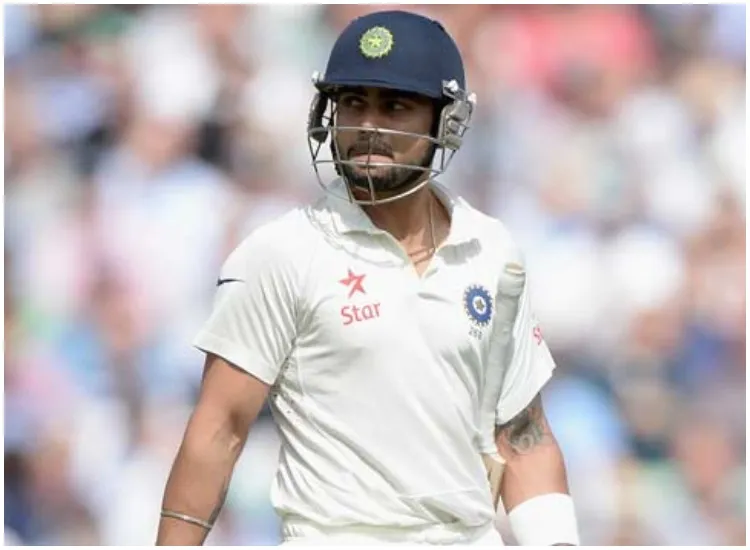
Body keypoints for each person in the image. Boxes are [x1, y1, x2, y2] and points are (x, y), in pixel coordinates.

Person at [157, 9, 579, 546]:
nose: (369, 126)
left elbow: (523, 438)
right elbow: (219, 430)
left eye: (395, 106)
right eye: (354, 103)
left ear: (446, 121)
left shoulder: (492, 251)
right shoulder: (282, 253)